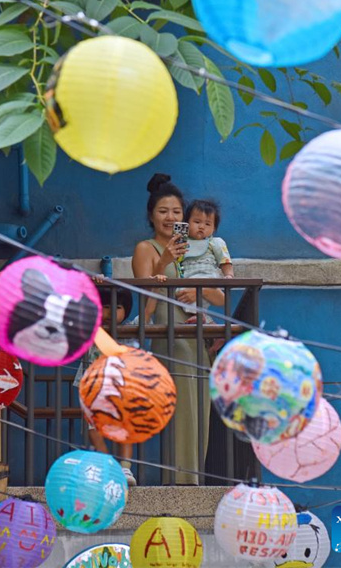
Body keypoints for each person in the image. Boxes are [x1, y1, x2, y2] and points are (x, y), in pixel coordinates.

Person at [131, 173, 210, 485]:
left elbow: (215, 294)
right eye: (164, 211)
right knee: (180, 408)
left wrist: (199, 293)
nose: (171, 218)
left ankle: (197, 478)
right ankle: (180, 481)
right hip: (168, 334)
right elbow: (146, 306)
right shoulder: (145, 248)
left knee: (200, 408)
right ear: (151, 215)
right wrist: (164, 261)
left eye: (177, 212)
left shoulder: (196, 249)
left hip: (194, 333)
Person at [74, 283, 137, 486]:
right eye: (106, 307)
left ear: (126, 311)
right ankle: (108, 464)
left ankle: (125, 467)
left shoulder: (131, 329)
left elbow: (148, 312)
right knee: (93, 426)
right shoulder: (92, 329)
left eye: (117, 307)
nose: (110, 312)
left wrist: (155, 286)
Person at [179, 199, 234, 358]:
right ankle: (214, 330)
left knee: (199, 298)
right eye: (197, 222)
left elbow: (225, 260)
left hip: (206, 276)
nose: (201, 226)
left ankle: (204, 320)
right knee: (182, 295)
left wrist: (228, 275)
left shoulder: (215, 242)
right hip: (187, 277)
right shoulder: (182, 243)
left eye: (207, 224)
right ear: (187, 222)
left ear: (214, 228)